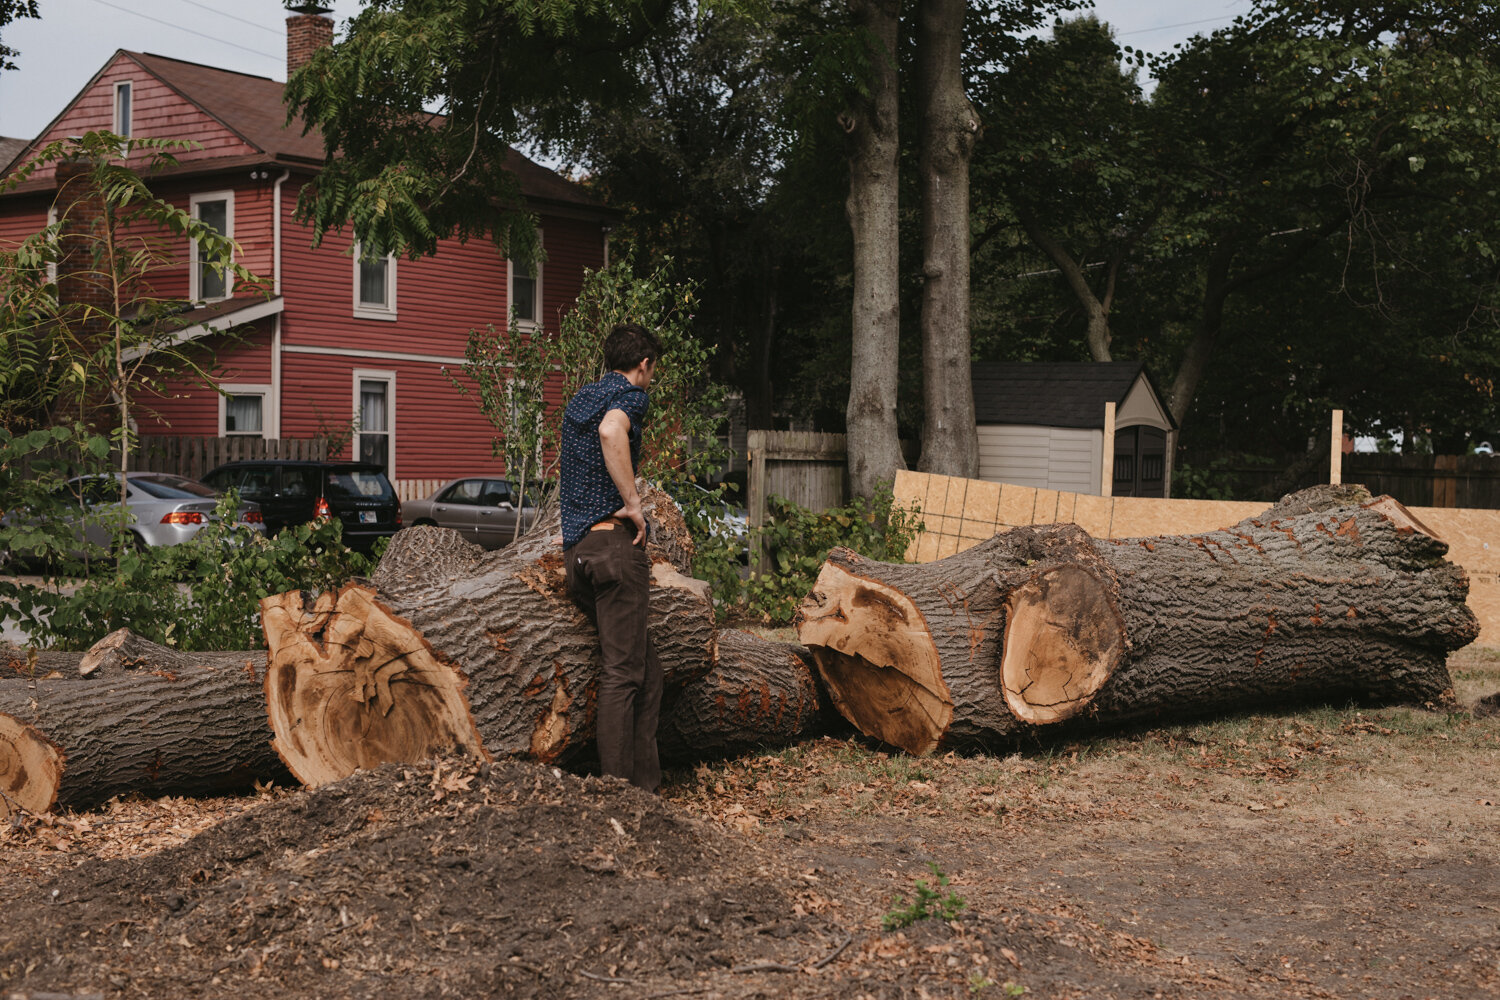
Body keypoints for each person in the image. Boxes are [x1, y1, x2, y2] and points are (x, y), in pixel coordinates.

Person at [559, 322, 663, 792]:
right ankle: (618, 794)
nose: (651, 378)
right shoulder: (630, 397)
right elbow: (611, 431)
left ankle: (645, 788)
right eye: (652, 369)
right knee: (623, 673)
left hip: (578, 555)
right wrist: (635, 505)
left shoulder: (582, 396)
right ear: (643, 364)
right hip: (614, 551)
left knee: (649, 670)